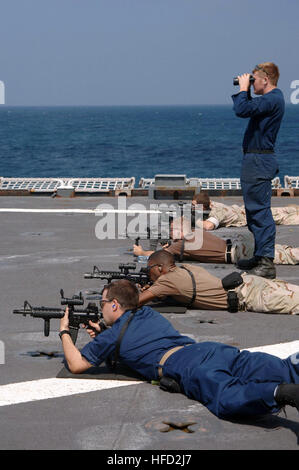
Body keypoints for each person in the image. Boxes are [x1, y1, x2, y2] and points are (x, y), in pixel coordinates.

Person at [59, 279, 299, 420]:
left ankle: (279, 393)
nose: (101, 310)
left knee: (224, 397)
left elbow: (76, 364)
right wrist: (106, 336)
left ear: (114, 304)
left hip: (186, 366)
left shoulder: (113, 336)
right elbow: (136, 339)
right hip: (208, 350)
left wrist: (64, 332)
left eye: (103, 304)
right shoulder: (146, 313)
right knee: (268, 365)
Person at [231, 62, 285, 279]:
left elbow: (242, 110)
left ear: (266, 79)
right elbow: (251, 108)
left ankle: (266, 261)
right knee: (254, 211)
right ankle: (260, 254)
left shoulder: (273, 99)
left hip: (259, 160)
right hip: (256, 159)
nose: (252, 84)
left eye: (254, 80)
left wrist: (243, 88)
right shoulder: (271, 100)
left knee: (260, 211)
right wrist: (246, 89)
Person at [138, 250, 299, 314]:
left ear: (159, 268)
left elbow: (135, 302)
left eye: (149, 268)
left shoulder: (167, 281)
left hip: (252, 295)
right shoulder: (186, 268)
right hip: (250, 283)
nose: (148, 272)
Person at [133, 224, 299, 266]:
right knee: (283, 251)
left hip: (240, 253)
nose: (171, 234)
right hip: (241, 245)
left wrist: (140, 251)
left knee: (285, 256)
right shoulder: (193, 232)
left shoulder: (181, 245)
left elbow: (157, 256)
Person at [193, 193, 299, 231]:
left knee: (282, 218)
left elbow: (208, 226)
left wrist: (192, 220)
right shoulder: (211, 204)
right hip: (247, 210)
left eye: (195, 206)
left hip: (252, 216)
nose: (193, 208)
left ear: (202, 207)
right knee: (282, 210)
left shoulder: (218, 211)